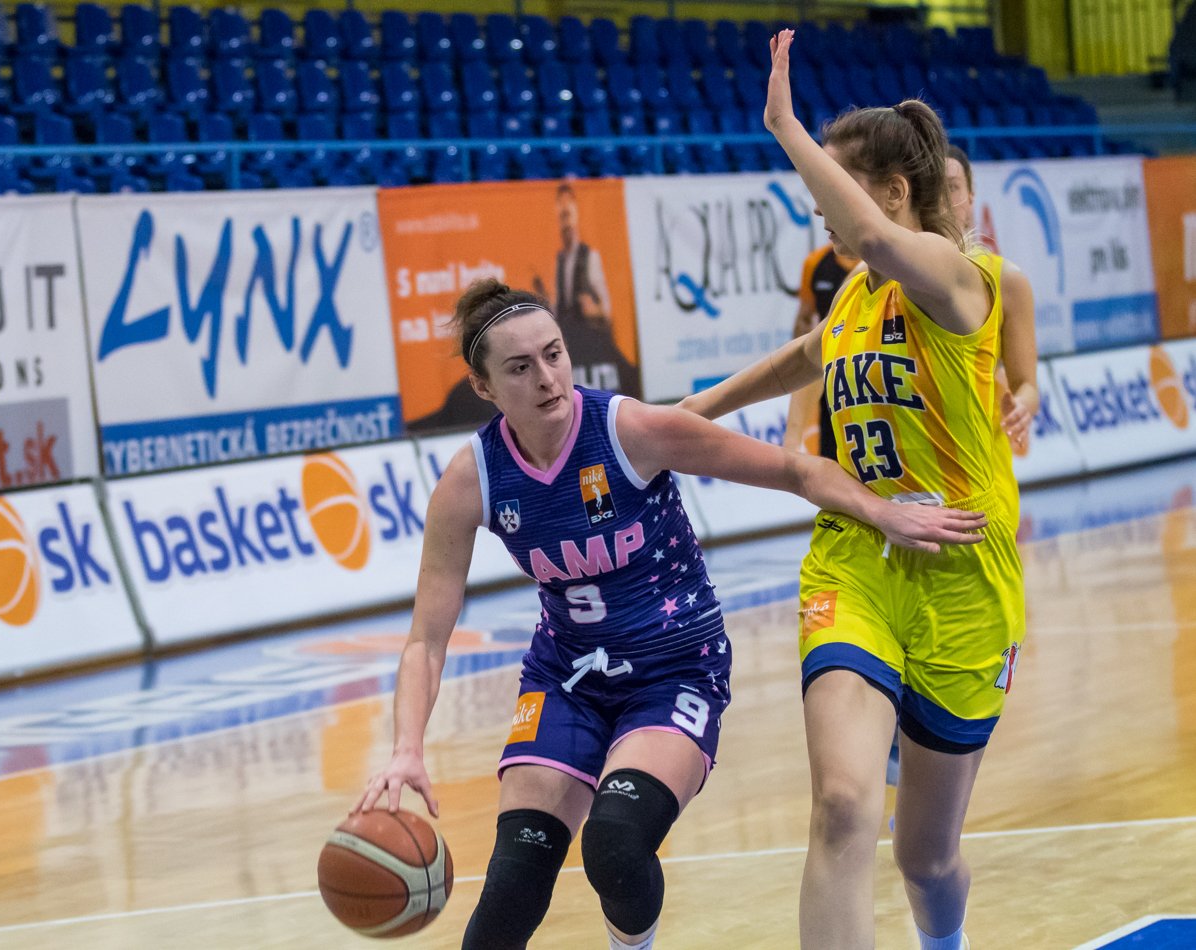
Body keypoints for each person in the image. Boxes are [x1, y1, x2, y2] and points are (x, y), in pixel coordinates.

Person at [354, 277, 986, 950]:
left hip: (675, 669)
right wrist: (406, 748)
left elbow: (796, 471)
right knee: (512, 886)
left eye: (554, 354)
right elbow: (426, 640)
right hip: (566, 676)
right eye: (519, 367)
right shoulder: (471, 478)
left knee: (615, 844)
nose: (546, 377)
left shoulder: (631, 430)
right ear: (483, 387)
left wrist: (882, 510)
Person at [680, 31, 1026, 950]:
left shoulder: (960, 280)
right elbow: (804, 355)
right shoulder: (854, 294)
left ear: (893, 192)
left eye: (833, 188)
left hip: (963, 576)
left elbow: (870, 235)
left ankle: (942, 941)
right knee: (841, 803)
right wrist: (693, 411)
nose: (822, 217)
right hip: (857, 561)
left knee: (926, 860)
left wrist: (785, 128)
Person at [945, 143, 1040, 465]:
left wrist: (1022, 407)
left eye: (952, 187)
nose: (943, 200)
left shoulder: (1006, 280)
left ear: (971, 196)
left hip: (982, 463)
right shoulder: (885, 275)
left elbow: (1027, 386)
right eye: (932, 187)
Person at [533, 182, 641, 396]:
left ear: (576, 215)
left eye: (568, 214)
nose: (565, 221)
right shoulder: (559, 261)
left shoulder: (590, 257)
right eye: (561, 215)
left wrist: (594, 310)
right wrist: (545, 301)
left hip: (592, 346)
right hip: (570, 344)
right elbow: (559, 309)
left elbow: (606, 311)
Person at [783, 242, 860, 457]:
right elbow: (805, 323)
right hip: (831, 373)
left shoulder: (874, 266)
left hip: (866, 373)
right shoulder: (816, 262)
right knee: (831, 453)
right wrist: (792, 437)